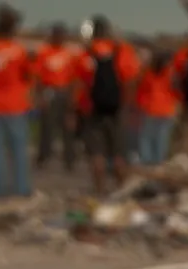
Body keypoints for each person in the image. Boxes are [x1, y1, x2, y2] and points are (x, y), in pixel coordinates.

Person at [75, 15, 140, 193]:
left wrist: (76, 109)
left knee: (96, 154)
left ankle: (99, 190)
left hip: (93, 110)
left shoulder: (86, 54)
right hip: (117, 109)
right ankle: (122, 190)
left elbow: (80, 85)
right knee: (119, 154)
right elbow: (130, 82)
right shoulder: (122, 51)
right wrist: (126, 106)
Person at [0, 4, 33, 197]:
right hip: (17, 104)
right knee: (18, 150)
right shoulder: (19, 51)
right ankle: (21, 188)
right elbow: (27, 74)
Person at [34, 24, 79, 171]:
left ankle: (69, 159)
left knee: (68, 127)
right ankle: (44, 156)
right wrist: (40, 96)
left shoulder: (68, 54)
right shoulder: (44, 53)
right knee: (47, 127)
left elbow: (74, 78)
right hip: (50, 92)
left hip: (64, 92)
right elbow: (38, 76)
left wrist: (72, 98)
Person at [133, 52, 178, 166]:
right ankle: (159, 163)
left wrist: (139, 105)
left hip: (150, 109)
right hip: (167, 110)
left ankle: (147, 163)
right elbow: (177, 92)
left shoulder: (148, 73)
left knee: (146, 138)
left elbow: (141, 90)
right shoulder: (171, 73)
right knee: (162, 139)